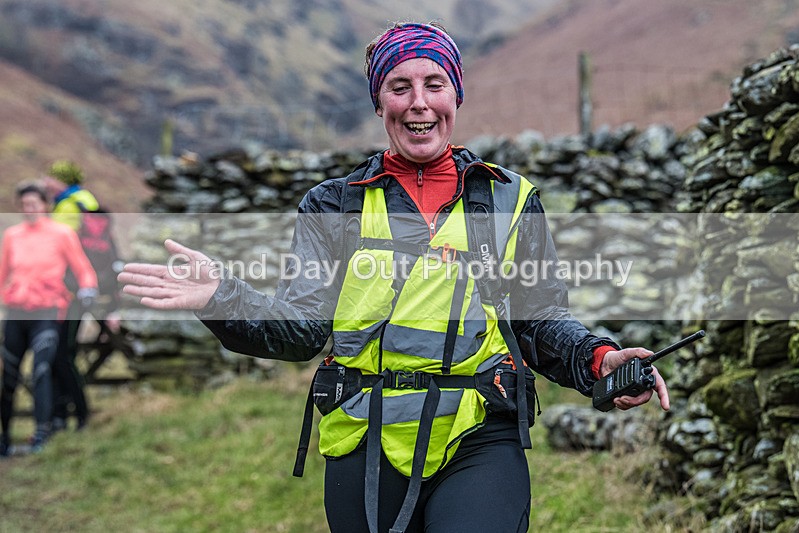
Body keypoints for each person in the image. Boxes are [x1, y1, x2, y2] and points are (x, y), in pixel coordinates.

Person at [119, 22, 670, 533]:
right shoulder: (332, 205)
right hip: (365, 435)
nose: (419, 103)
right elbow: (303, 329)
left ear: (456, 96)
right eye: (400, 86)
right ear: (379, 103)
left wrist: (601, 361)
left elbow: (539, 318)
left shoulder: (509, 199)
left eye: (435, 83)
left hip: (478, 430)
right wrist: (222, 297)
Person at [0, 183, 97, 456]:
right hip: (17, 310)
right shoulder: (12, 236)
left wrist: (88, 289)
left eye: (34, 204)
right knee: (8, 374)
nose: (29, 209)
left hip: (48, 310)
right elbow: (3, 272)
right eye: (24, 205)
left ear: (45, 205)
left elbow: (82, 268)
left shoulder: (62, 233)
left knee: (41, 371)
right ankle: (4, 436)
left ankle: (42, 432)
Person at [43, 160, 118, 431]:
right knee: (62, 352)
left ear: (62, 180)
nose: (45, 182)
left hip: (71, 290)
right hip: (83, 288)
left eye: (50, 176)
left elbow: (58, 248)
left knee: (61, 353)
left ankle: (72, 414)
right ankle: (64, 414)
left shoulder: (69, 204)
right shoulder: (84, 199)